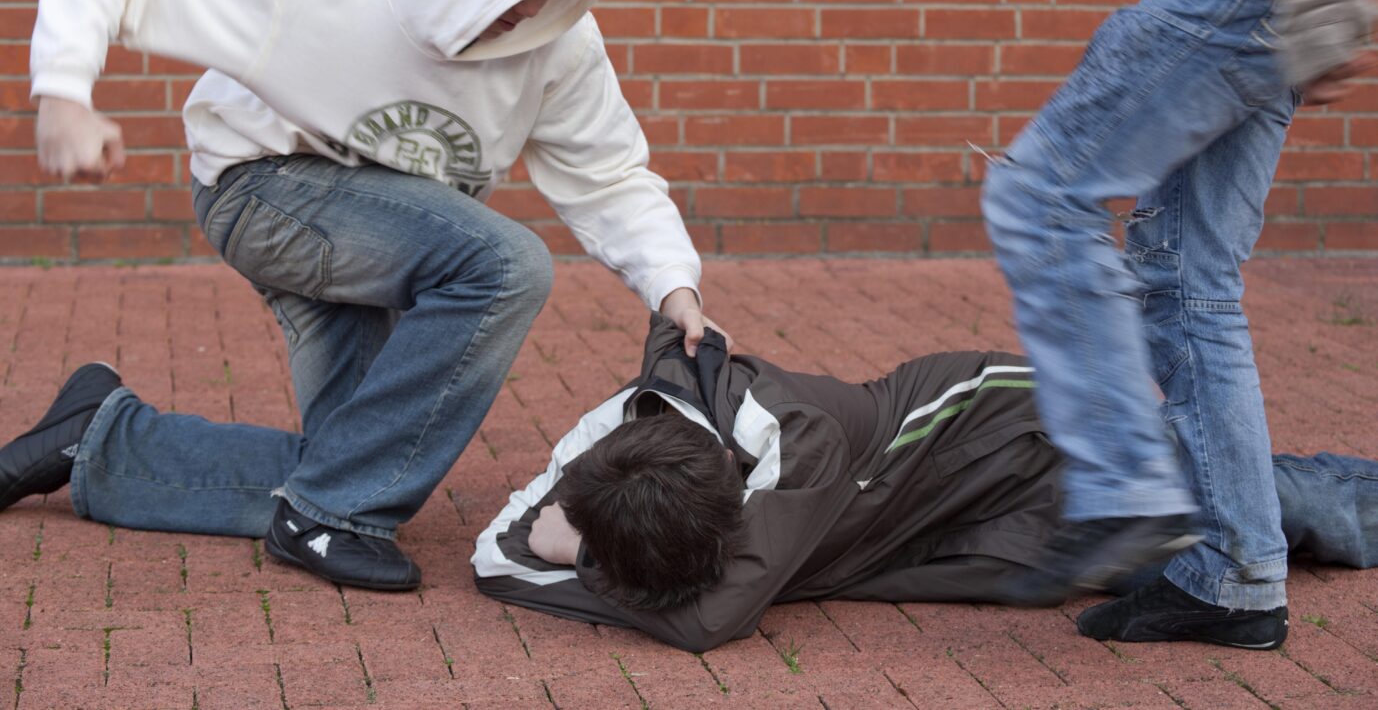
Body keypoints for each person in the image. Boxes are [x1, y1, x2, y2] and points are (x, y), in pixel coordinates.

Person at [11, 0, 727, 592]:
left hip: (380, 231)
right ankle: (328, 517)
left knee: (353, 455)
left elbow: (608, 171)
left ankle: (99, 436)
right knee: (506, 265)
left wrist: (671, 283)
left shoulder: (559, 45)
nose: (530, 4)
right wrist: (62, 91)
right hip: (261, 187)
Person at [977, 0, 1377, 638]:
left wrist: (1327, 5)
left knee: (1037, 196)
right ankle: (1235, 574)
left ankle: (1121, 487)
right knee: (1190, 282)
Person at [472, 317, 1377, 652]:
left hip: (1013, 432)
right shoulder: (604, 455)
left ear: (734, 495)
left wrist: (582, 557)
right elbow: (489, 558)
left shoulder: (795, 444)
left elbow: (711, 617)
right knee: (1165, 571)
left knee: (1281, 510)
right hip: (942, 534)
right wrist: (598, 544)